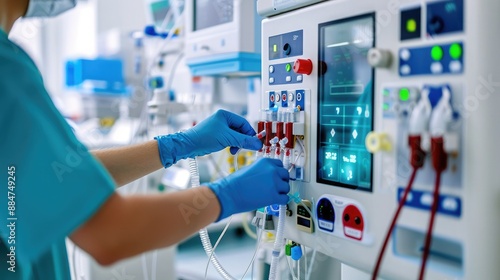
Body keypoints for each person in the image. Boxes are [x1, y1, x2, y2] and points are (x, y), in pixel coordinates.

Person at [0, 1, 290, 279]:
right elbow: (110, 234)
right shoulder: (7, 71)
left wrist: (177, 144)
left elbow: (56, 176)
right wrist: (228, 195)